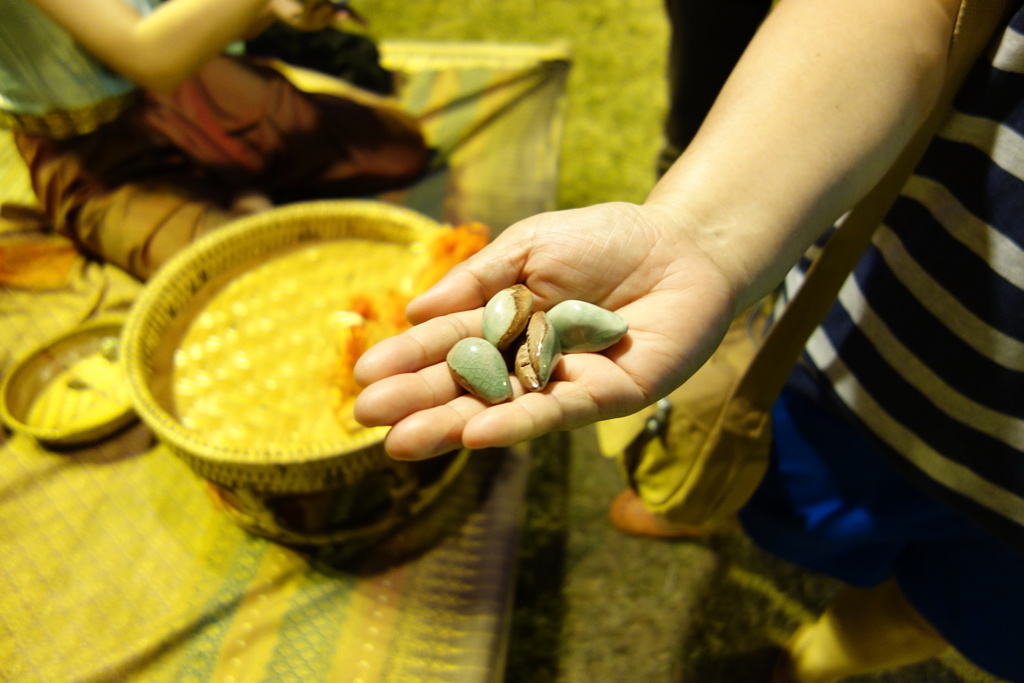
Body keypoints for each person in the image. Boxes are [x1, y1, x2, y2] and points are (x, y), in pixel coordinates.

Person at [352, 0, 1024, 681]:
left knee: (965, 607)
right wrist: (701, 228)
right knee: (781, 489)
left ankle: (809, 665)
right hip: (867, 347)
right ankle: (718, 509)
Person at [0, 0, 429, 280]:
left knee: (397, 148)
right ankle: (238, 190)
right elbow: (147, 55)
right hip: (91, 147)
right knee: (253, 279)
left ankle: (240, 185)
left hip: (191, 80)